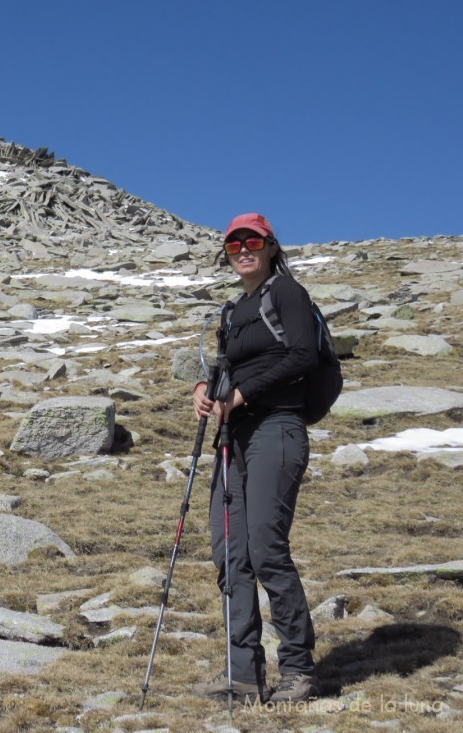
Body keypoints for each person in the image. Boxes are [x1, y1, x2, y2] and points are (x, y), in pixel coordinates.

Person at [191, 213, 320, 705]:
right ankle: (243, 675)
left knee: (266, 548)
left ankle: (299, 670)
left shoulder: (285, 292)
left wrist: (239, 395)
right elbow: (228, 370)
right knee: (230, 555)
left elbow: (302, 356)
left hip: (276, 429)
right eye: (233, 243)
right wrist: (205, 389)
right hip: (232, 440)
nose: (242, 249)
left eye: (252, 240)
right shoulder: (231, 310)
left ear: (269, 246)